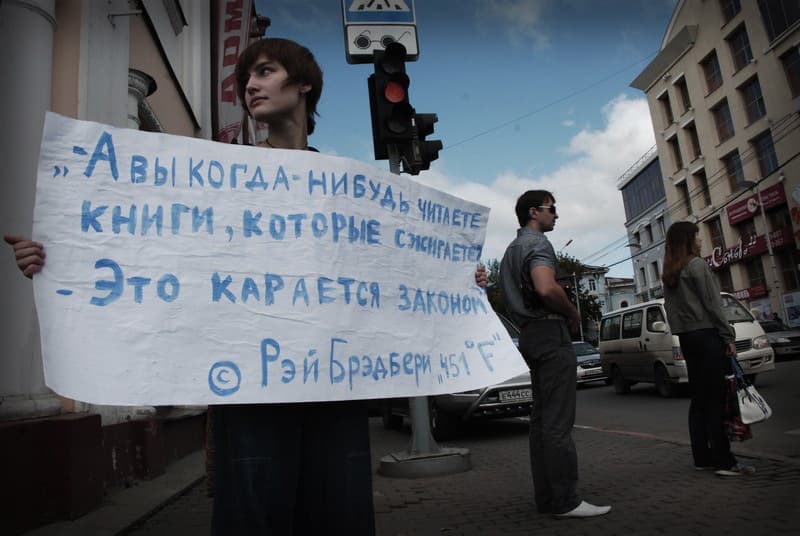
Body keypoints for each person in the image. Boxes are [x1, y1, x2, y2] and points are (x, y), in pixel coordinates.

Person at [6, 37, 376, 534]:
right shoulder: (218, 177)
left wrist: (454, 280)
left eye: (265, 72)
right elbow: (151, 247)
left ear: (304, 83)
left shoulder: (342, 184)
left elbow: (380, 271)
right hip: (251, 391)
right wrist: (58, 259)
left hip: (334, 390)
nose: (250, 85)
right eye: (246, 78)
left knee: (339, 515)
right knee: (253, 518)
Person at [476, 190, 610, 519]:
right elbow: (546, 288)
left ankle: (548, 499)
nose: (557, 215)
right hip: (550, 333)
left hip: (530, 337)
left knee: (540, 423)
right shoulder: (537, 244)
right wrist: (572, 313)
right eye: (552, 208)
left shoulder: (510, 251)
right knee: (558, 423)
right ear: (534, 212)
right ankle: (566, 500)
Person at [661, 221, 754, 477]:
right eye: (697, 237)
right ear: (688, 241)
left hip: (688, 339)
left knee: (699, 400)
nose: (701, 241)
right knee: (716, 400)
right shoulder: (696, 265)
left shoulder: (671, 271)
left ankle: (702, 458)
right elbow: (714, 305)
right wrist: (728, 336)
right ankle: (725, 462)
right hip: (707, 336)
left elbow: (672, 311)